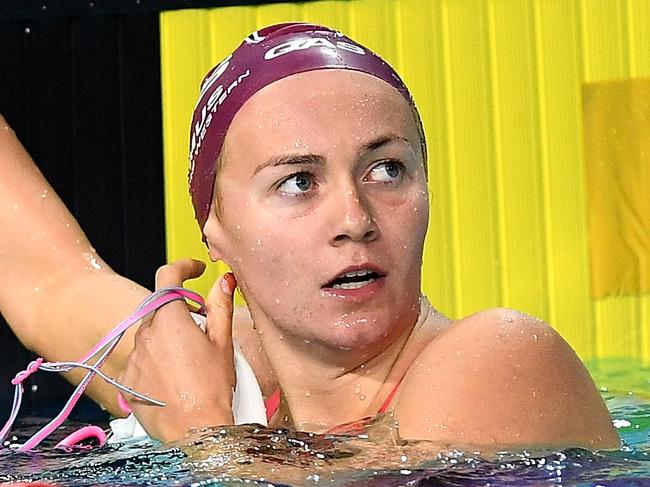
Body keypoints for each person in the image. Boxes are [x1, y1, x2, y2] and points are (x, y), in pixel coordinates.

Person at [0, 23, 618, 450]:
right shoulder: (229, 368)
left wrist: (207, 440)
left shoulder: (500, 363)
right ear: (215, 232)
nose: (355, 218)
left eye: (387, 170)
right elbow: (52, 281)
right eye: (299, 182)